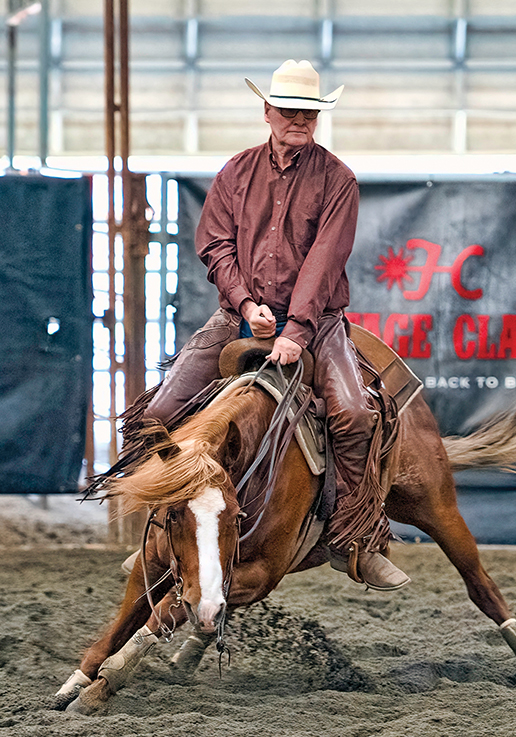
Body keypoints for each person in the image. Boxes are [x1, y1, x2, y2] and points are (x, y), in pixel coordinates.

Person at [144, 59, 410, 591]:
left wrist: (295, 329)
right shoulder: (236, 173)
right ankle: (163, 535)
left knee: (354, 416)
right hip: (237, 315)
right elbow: (214, 244)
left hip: (318, 322)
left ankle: (351, 537)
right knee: (159, 413)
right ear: (267, 112)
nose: (300, 121)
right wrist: (245, 305)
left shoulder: (338, 181)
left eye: (310, 113)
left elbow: (323, 261)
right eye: (290, 111)